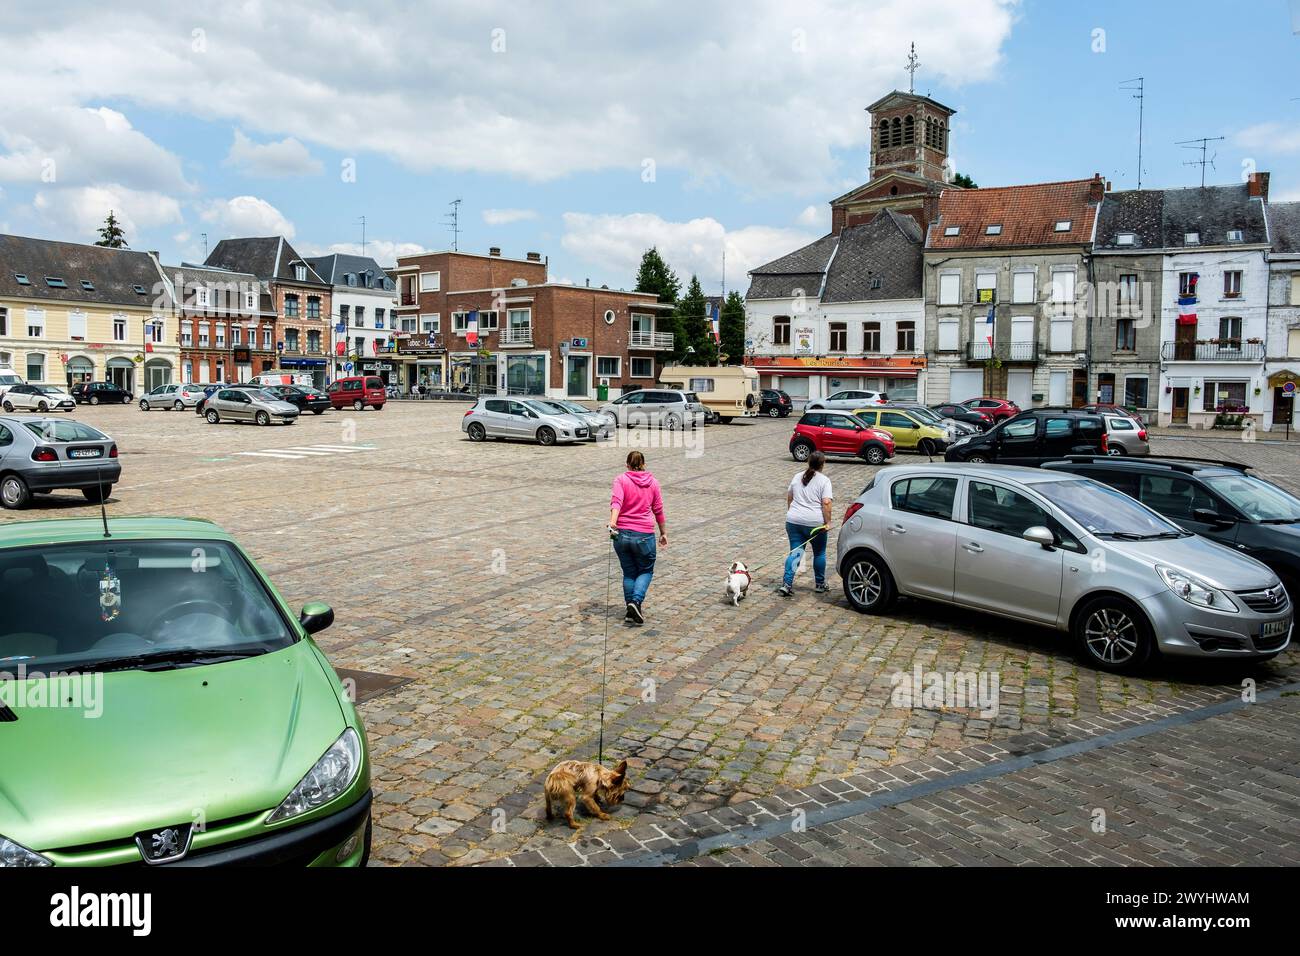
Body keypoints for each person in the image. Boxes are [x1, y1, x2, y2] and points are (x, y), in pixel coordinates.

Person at [608, 450, 667, 626]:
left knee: (629, 572)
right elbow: (658, 510)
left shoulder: (621, 480)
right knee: (646, 571)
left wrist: (613, 522)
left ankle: (630, 611)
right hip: (644, 535)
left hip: (622, 534)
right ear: (644, 464)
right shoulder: (653, 483)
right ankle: (636, 602)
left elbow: (616, 501)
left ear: (627, 465)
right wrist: (663, 532)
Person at [778, 450, 832, 597]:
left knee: (796, 552)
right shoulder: (824, 481)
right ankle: (820, 584)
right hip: (815, 524)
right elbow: (826, 503)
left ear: (808, 462)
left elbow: (790, 497)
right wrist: (828, 522)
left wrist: (793, 514)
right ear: (823, 464)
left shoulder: (797, 477)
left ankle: (787, 584)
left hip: (794, 521)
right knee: (819, 553)